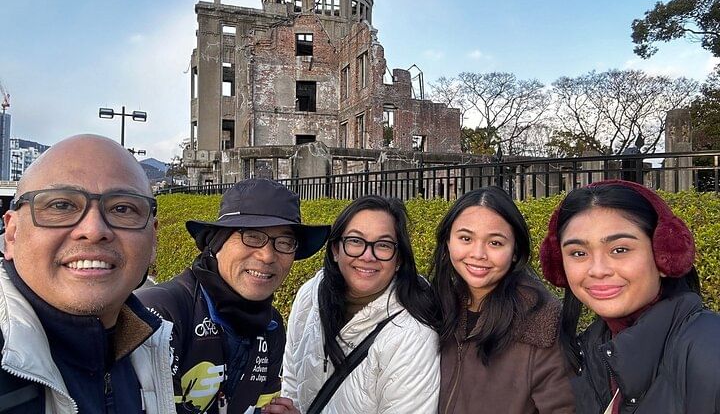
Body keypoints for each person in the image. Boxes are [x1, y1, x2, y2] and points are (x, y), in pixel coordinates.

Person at [0, 134, 175, 413]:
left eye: (122, 208)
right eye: (61, 205)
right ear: (12, 234)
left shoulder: (153, 347)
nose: (94, 230)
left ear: (153, 239)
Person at [137, 178, 330, 414]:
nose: (267, 256)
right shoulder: (161, 313)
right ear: (216, 241)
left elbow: (260, 408)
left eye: (285, 242)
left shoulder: (271, 326)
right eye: (252, 236)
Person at [540, 179, 720, 413]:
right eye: (578, 253)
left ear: (665, 255)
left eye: (620, 249)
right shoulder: (588, 353)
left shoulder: (710, 352)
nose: (598, 270)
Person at [282, 195, 440, 413]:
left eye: (383, 245)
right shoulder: (310, 294)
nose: (368, 256)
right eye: (355, 241)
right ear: (335, 250)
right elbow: (292, 380)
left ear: (399, 260)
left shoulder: (413, 335)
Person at [431, 186, 575, 414]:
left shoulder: (540, 322)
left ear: (515, 251)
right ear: (448, 241)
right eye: (466, 238)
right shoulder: (434, 308)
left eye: (495, 243)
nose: (478, 254)